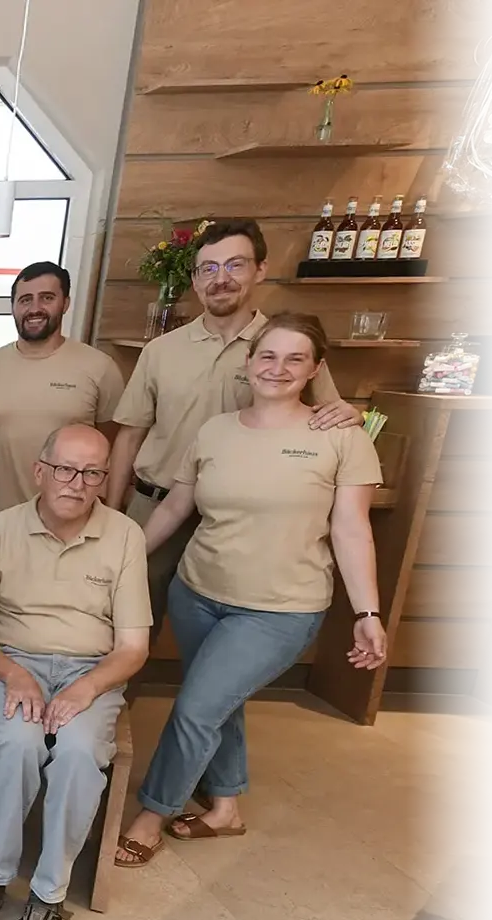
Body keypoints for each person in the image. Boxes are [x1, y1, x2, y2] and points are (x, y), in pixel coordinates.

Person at [116, 314, 385, 868]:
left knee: (196, 706)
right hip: (199, 592)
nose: (278, 368)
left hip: (280, 609)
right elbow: (174, 507)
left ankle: (151, 814)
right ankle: (225, 808)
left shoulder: (341, 436)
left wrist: (368, 611)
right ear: (250, 361)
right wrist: (120, 561)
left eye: (295, 359)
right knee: (219, 700)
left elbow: (352, 528)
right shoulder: (214, 431)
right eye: (268, 356)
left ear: (314, 369)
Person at [0, 424, 151, 920]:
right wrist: (14, 674)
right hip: (15, 662)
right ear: (40, 472)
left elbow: (133, 648)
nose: (76, 483)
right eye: (65, 469)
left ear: (104, 481)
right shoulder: (0, 532)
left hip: (94, 670)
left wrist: (86, 689)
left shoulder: (126, 535)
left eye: (91, 473)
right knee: (18, 743)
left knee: (80, 753)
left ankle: (48, 894)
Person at [105, 219, 361, 626]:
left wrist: (353, 414)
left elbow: (331, 416)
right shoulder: (160, 351)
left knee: (223, 624)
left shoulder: (284, 347)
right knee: (127, 618)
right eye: (208, 268)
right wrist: (113, 507)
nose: (220, 279)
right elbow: (130, 433)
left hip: (241, 516)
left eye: (234, 265)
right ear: (194, 279)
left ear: (260, 269)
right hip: (157, 504)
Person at [0, 262, 125, 512]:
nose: (35, 309)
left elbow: (111, 446)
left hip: (71, 519)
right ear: (13, 307)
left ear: (65, 303)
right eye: (25, 300)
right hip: (0, 519)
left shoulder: (100, 368)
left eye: (46, 298)